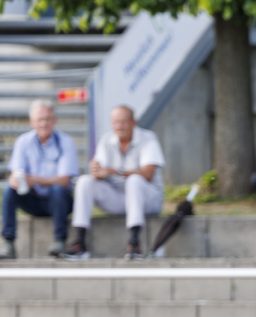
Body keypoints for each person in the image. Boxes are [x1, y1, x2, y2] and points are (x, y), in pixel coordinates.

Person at [63, 104, 164, 260]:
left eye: (123, 122)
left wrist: (115, 171)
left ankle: (134, 243)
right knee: (84, 181)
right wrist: (96, 171)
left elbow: (148, 174)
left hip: (148, 201)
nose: (119, 126)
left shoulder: (148, 138)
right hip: (119, 199)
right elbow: (100, 171)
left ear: (133, 122)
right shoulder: (106, 140)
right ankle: (79, 243)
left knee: (134, 180)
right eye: (116, 122)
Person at [1, 99, 78, 258]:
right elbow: (16, 172)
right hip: (33, 200)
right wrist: (16, 179)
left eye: (47, 119)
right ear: (32, 122)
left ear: (55, 120)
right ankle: (8, 243)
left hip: (60, 202)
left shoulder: (66, 142)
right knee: (9, 190)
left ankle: (59, 241)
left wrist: (34, 180)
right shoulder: (23, 142)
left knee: (57, 190)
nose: (44, 124)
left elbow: (64, 180)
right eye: (40, 120)